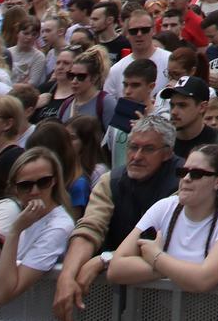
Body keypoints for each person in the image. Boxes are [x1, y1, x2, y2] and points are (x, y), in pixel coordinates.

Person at [53, 112, 180, 321]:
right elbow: (89, 228)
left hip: (167, 301)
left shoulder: (184, 182)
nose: (137, 156)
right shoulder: (110, 180)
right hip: (110, 299)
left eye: (148, 149)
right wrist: (66, 277)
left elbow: (162, 243)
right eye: (133, 147)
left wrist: (103, 260)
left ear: (167, 153)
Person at [107, 143, 218, 291]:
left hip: (211, 306)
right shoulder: (164, 207)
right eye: (183, 172)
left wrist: (156, 256)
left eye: (196, 174)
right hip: (160, 306)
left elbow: (205, 279)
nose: (186, 178)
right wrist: (183, 271)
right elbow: (116, 268)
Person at [0, 146, 76, 319]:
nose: (35, 191)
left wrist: (14, 231)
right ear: (15, 189)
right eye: (25, 185)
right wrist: (3, 253)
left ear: (54, 181)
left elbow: (2, 295)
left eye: (43, 182)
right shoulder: (27, 218)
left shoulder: (59, 226)